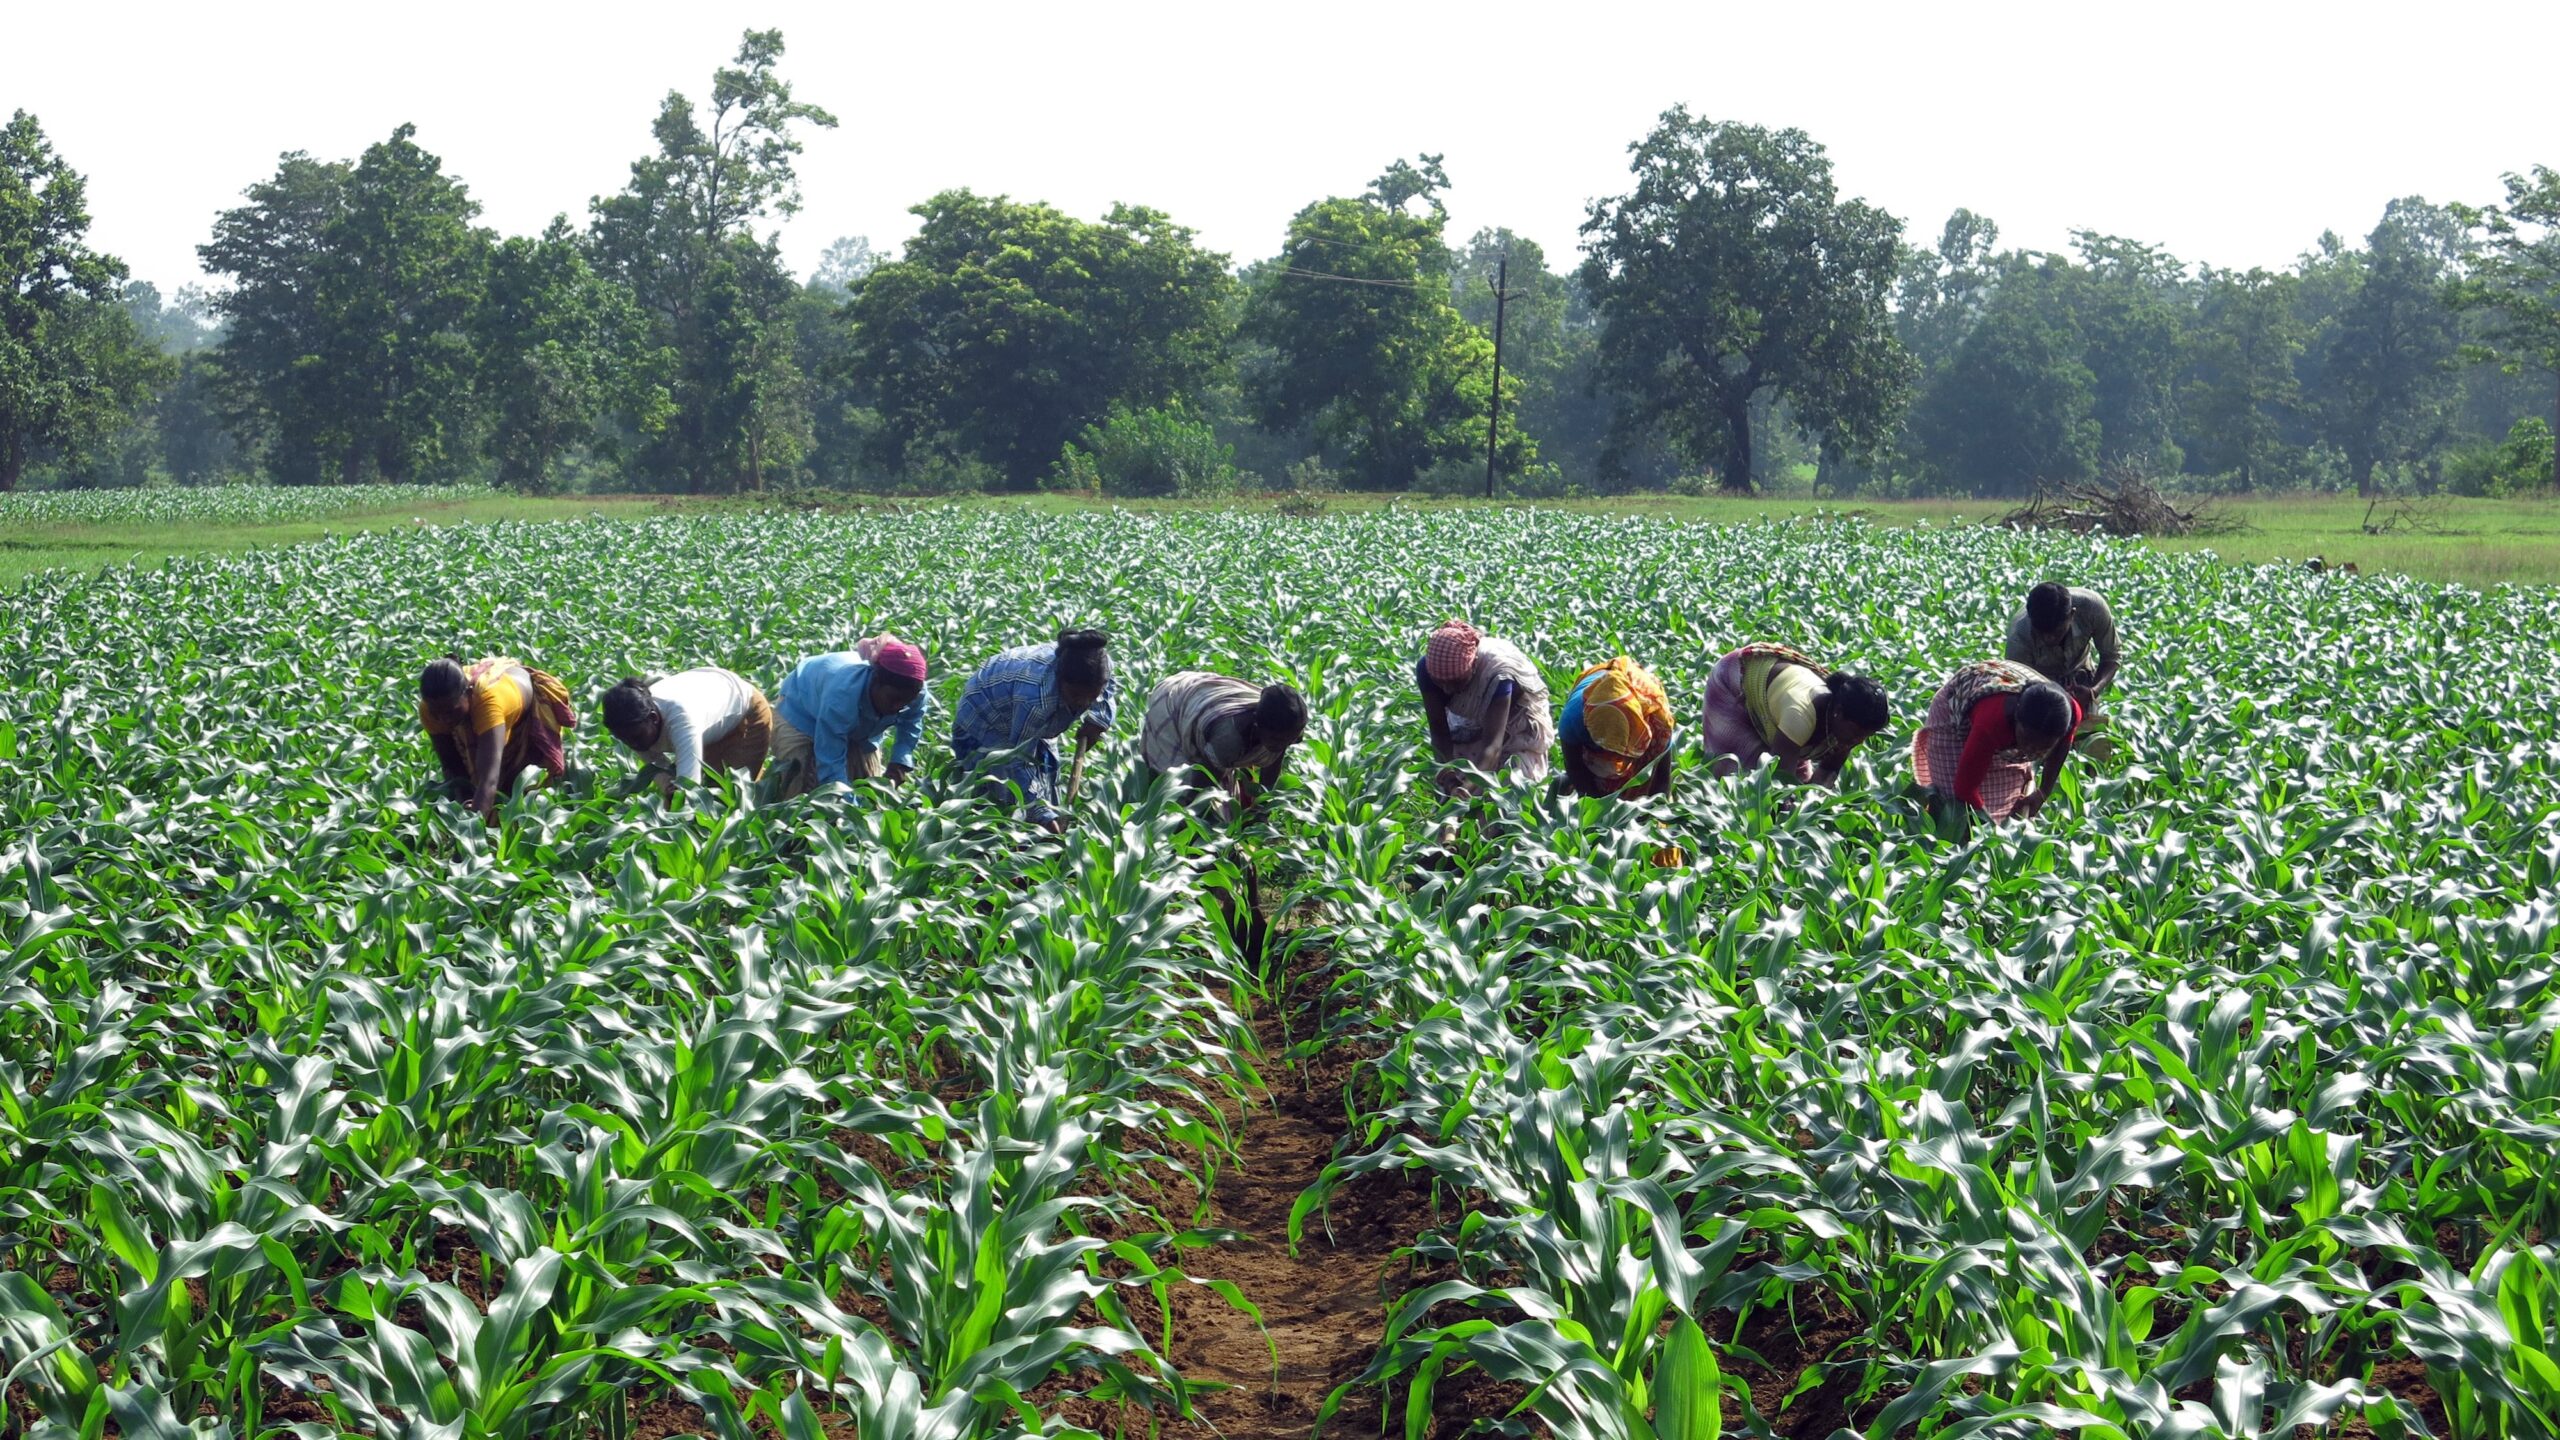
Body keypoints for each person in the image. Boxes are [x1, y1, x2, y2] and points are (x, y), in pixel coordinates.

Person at [950, 628, 1115, 831]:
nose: (1083, 703)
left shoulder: (1098, 665)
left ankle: (1046, 834)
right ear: (1060, 680)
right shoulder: (1035, 699)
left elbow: (1108, 688)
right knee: (998, 801)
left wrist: (1098, 720)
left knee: (1046, 782)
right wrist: (1040, 813)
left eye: (1091, 696)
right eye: (1076, 695)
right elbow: (1018, 757)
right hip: (984, 718)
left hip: (1022, 713)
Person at [1911, 659, 2085, 823]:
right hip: (1954, 708)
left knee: (2005, 793)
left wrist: (2043, 792)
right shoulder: (1992, 721)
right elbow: (1964, 789)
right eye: (2027, 740)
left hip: (1998, 718)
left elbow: (2061, 748)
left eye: (2043, 746)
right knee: (1952, 805)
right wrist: (1990, 833)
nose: (2031, 750)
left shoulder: (2069, 714)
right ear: (2016, 719)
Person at [1697, 644, 1890, 787]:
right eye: (1857, 732)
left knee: (1799, 783)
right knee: (1739, 780)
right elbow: (1778, 784)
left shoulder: (1847, 729)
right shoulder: (1800, 714)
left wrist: (1811, 809)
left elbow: (1826, 774)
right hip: (1733, 681)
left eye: (1866, 735)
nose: (1859, 740)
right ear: (1838, 713)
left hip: (1777, 706)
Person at [418, 654, 577, 824]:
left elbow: (489, 779)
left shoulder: (489, 703)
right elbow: (452, 766)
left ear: (469, 694)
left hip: (521, 714)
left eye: (451, 711)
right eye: (437, 713)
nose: (443, 719)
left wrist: (472, 827)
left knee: (518, 790)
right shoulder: (429, 710)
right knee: (477, 791)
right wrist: (460, 809)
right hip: (485, 709)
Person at [768, 635, 931, 798]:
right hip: (802, 711)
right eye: (893, 699)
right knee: (804, 788)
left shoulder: (916, 692)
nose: (898, 707)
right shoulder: (842, 695)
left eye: (906, 701)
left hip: (859, 729)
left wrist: (899, 762)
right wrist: (849, 808)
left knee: (870, 789)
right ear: (875, 680)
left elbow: (911, 723)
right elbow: (830, 761)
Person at [1141, 671, 1308, 820]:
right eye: (1276, 740)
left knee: (1225, 808)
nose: (1283, 745)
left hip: (1204, 698)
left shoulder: (1289, 727)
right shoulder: (1230, 736)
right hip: (1173, 702)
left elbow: (1271, 769)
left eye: (1289, 740)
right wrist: (1190, 819)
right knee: (1180, 793)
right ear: (1258, 724)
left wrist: (1262, 810)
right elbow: (1202, 790)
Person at [1416, 620, 1554, 792]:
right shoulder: (1428, 670)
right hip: (1475, 715)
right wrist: (1448, 773)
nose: (1447, 689)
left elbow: (1492, 747)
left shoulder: (1497, 675)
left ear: (1473, 667)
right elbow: (1438, 730)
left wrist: (1467, 789)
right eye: (1440, 683)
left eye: (1454, 682)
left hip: (1516, 713)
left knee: (1512, 782)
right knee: (1460, 770)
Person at [599, 667, 772, 789]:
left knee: (735, 791)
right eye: (624, 740)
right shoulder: (633, 726)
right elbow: (656, 766)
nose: (633, 745)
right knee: (708, 789)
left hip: (745, 709)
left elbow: (689, 789)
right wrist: (667, 785)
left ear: (653, 718)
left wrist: (677, 791)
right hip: (710, 710)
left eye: (636, 738)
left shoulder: (682, 720)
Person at [1556, 656, 1676, 800]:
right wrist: (1597, 809)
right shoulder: (1573, 719)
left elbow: (1662, 776)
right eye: (1608, 748)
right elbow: (1575, 768)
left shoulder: (1657, 718)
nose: (1613, 754)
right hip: (1583, 724)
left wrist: (1661, 810)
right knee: (1600, 781)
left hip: (1643, 701)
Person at [2006, 581, 2121, 695]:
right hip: (2039, 686)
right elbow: (2019, 686)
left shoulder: (2092, 609)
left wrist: (2093, 692)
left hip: (2081, 675)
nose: (2049, 639)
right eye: (2041, 633)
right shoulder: (2019, 636)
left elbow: (2111, 657)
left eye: (2057, 632)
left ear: (2072, 615)